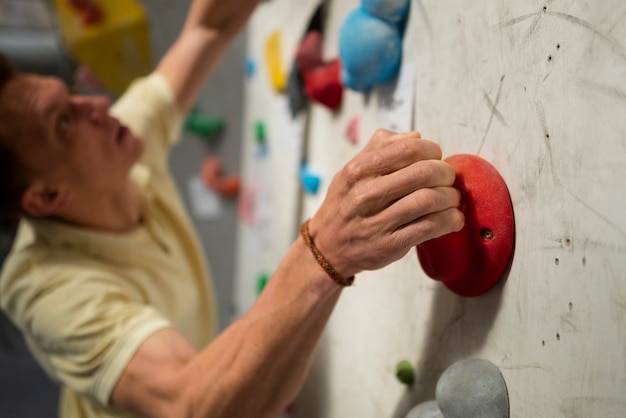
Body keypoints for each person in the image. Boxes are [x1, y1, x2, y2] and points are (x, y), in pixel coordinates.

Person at [0, 0, 464, 417]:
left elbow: (208, 28)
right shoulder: (43, 291)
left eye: (71, 95)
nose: (97, 106)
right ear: (45, 197)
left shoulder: (118, 145)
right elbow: (190, 405)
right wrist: (326, 246)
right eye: (64, 121)